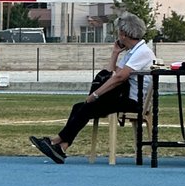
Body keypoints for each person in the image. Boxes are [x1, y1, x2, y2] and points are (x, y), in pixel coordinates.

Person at [28, 12, 154, 163]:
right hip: (124, 97)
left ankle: (55, 141)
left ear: (123, 34)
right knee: (79, 107)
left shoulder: (142, 52)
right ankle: (61, 147)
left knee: (87, 107)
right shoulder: (132, 53)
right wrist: (114, 53)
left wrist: (95, 95)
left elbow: (119, 78)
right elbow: (111, 73)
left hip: (134, 102)